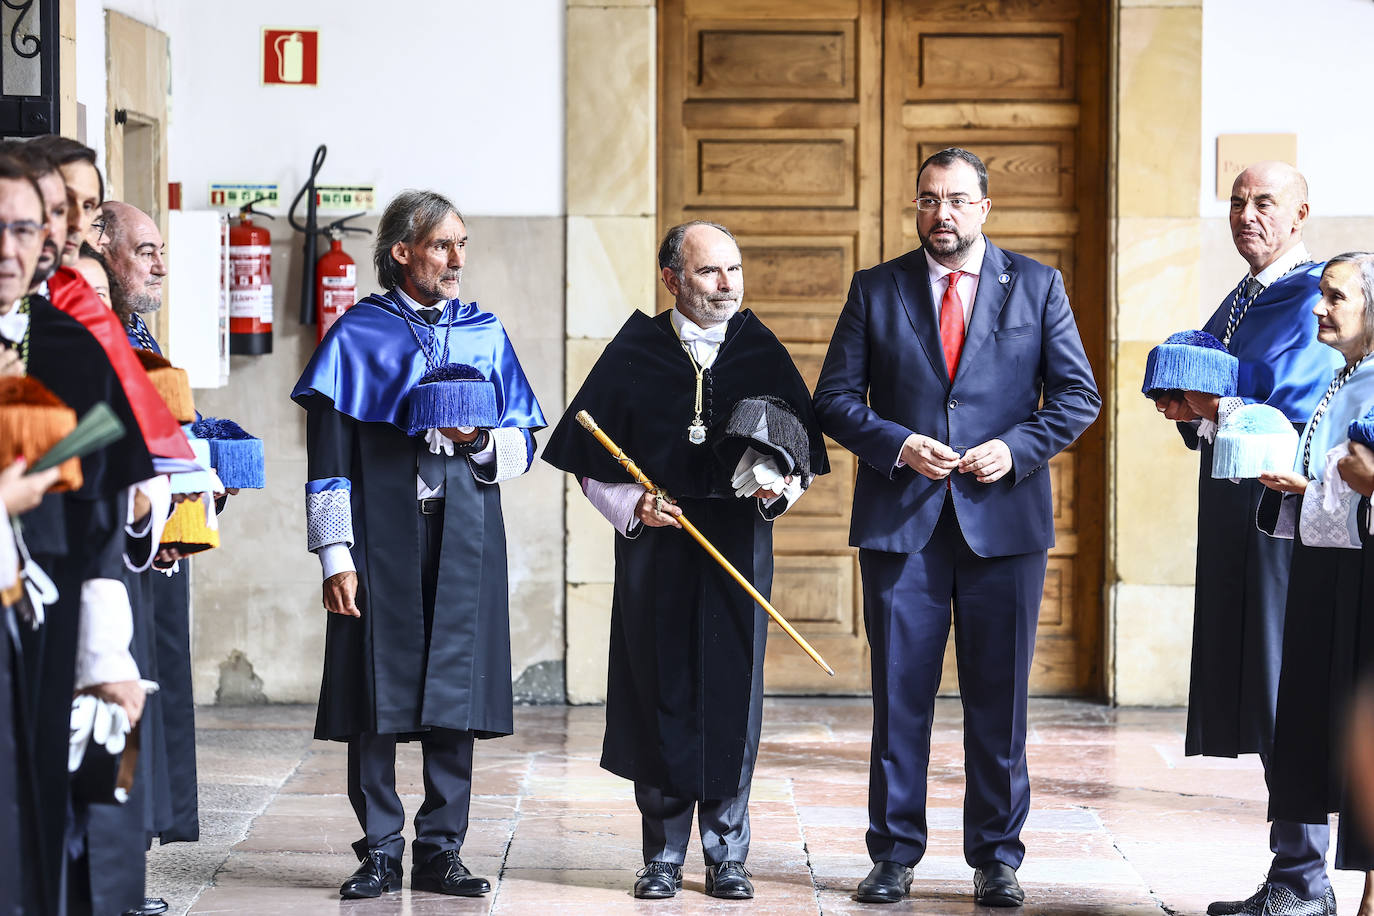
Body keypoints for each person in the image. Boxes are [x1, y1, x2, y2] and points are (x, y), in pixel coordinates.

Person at [812, 147, 1100, 906]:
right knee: (898, 697)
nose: (942, 213)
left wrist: (1017, 448)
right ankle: (893, 854)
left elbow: (1078, 397)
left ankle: (997, 858)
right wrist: (898, 444)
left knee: (1000, 701)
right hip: (902, 521)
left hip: (1004, 526)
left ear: (984, 208)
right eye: (929, 199)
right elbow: (833, 399)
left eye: (957, 199)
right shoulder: (876, 289)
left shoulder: (1038, 285)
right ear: (917, 207)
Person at [541, 221, 829, 900]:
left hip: (736, 544)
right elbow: (589, 461)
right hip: (658, 547)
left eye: (734, 270)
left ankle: (728, 854)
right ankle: (663, 854)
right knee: (659, 689)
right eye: (708, 272)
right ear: (670, 279)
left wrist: (777, 486)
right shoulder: (635, 351)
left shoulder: (760, 350)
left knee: (733, 692)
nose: (726, 285)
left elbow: (802, 455)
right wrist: (633, 504)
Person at [291, 190, 544, 899]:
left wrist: (479, 439)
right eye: (442, 245)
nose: (456, 259)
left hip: (467, 531)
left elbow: (524, 442)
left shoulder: (484, 332)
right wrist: (334, 557)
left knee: (455, 687)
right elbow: (327, 461)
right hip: (379, 534)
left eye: (462, 245)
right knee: (375, 690)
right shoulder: (357, 335)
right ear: (402, 251)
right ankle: (378, 849)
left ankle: (441, 850)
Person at [1152, 162, 1342, 916]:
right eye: (1236, 202)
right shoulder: (1242, 296)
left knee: (1284, 690)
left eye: (1265, 202)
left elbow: (1297, 408)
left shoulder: (1313, 295)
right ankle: (1293, 871)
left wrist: (1214, 404)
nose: (1247, 215)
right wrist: (1189, 407)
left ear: (1301, 214)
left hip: (1284, 522)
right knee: (1263, 693)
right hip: (1237, 519)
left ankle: (1305, 878)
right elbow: (1221, 395)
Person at [1254, 253, 1374, 916]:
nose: (1318, 307)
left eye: (1335, 297)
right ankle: (1316, 884)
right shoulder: (1344, 373)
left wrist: (1319, 485)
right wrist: (1306, 487)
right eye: (1320, 294)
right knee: (1323, 731)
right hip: (1329, 568)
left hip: (1363, 578)